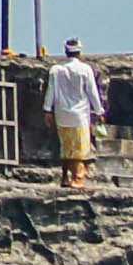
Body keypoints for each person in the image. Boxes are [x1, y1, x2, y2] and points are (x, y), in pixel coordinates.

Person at [44, 38, 107, 189]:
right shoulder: (85, 69)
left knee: (66, 147)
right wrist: (99, 111)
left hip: (61, 113)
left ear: (66, 52)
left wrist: (47, 109)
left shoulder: (56, 70)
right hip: (79, 114)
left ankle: (65, 177)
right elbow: (92, 92)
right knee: (80, 149)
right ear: (79, 52)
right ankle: (77, 178)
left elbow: (50, 91)